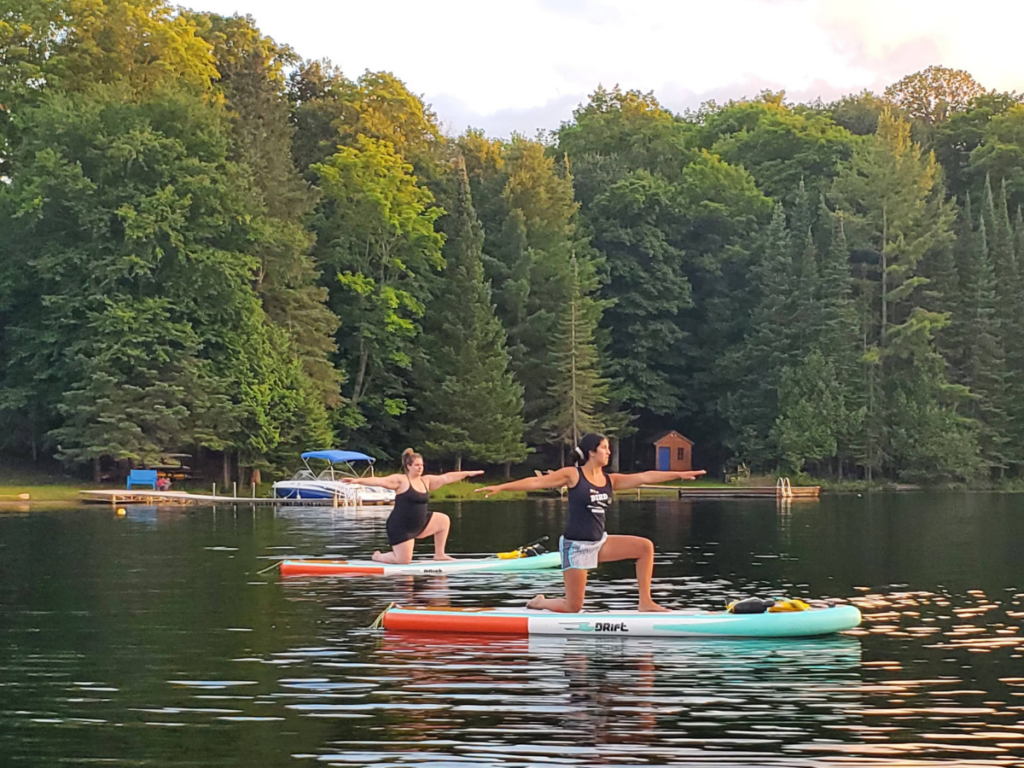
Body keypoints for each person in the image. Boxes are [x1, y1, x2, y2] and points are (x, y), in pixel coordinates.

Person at [475, 433, 706, 613]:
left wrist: (679, 475)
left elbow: (645, 477)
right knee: (573, 607)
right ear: (592, 452)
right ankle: (540, 602)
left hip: (599, 543)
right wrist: (501, 487)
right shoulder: (573, 475)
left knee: (644, 547)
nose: (609, 451)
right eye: (605, 448)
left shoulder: (609, 480)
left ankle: (645, 602)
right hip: (576, 547)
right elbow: (537, 483)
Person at [341, 448, 483, 564]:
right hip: (401, 527)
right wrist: (358, 481)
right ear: (408, 466)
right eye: (417, 465)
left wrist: (468, 473)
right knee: (403, 560)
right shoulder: (401, 480)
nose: (420, 468)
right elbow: (380, 481)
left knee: (443, 520)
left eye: (422, 465)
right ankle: (378, 557)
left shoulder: (426, 481)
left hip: (420, 524)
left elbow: (446, 477)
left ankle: (439, 554)